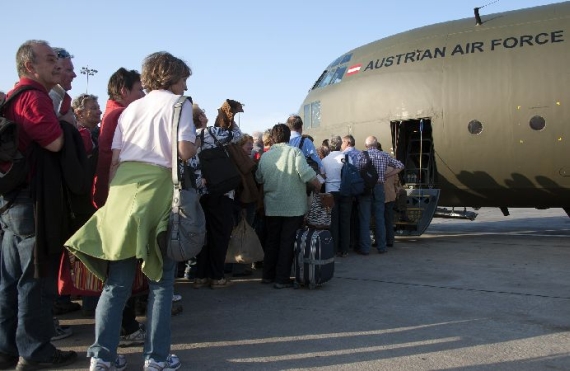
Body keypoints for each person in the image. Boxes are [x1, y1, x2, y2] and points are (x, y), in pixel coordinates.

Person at [65, 51, 197, 371]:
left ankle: (102, 356)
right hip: (159, 190)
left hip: (124, 190)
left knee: (117, 282)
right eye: (183, 78)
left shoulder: (131, 108)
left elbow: (114, 158)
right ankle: (157, 357)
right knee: (162, 282)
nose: (185, 84)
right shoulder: (181, 105)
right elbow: (184, 151)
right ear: (172, 77)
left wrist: (111, 200)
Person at [0, 39, 78, 370]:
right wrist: (69, 126)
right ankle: (34, 351)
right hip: (31, 203)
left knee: (10, 282)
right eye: (49, 60)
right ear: (31, 67)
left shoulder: (14, 96)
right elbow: (55, 141)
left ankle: (6, 350)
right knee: (34, 281)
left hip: (13, 203)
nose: (57, 65)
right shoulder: (33, 97)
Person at [255, 124, 321, 289]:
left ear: (272, 138)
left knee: (272, 240)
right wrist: (318, 185)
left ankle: (267, 275)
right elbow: (307, 175)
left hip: (272, 206)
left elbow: (259, 178)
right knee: (287, 241)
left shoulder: (265, 156)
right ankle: (282, 278)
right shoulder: (294, 152)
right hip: (293, 206)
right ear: (288, 137)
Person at [192, 99, 243, 289]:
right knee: (219, 234)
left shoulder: (188, 138)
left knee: (203, 235)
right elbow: (237, 136)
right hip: (222, 190)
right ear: (201, 118)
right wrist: (231, 117)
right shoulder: (212, 133)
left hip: (200, 193)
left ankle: (200, 276)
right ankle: (217, 276)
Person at [92, 68, 145, 209]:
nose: (143, 95)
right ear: (124, 91)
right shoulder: (122, 114)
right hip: (117, 188)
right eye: (139, 90)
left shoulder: (113, 111)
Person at [355, 136, 404, 255]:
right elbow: (400, 166)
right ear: (376, 145)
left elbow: (356, 171)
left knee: (365, 218)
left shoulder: (362, 155)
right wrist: (387, 175)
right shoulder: (384, 155)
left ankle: (365, 248)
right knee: (380, 218)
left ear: (366, 145)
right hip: (379, 187)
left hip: (366, 189)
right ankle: (382, 247)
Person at [321, 136, 352, 257]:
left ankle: (333, 249)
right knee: (345, 221)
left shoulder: (325, 160)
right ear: (340, 145)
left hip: (330, 192)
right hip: (345, 191)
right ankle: (344, 249)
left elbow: (322, 176)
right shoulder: (346, 157)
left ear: (330, 146)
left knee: (333, 222)